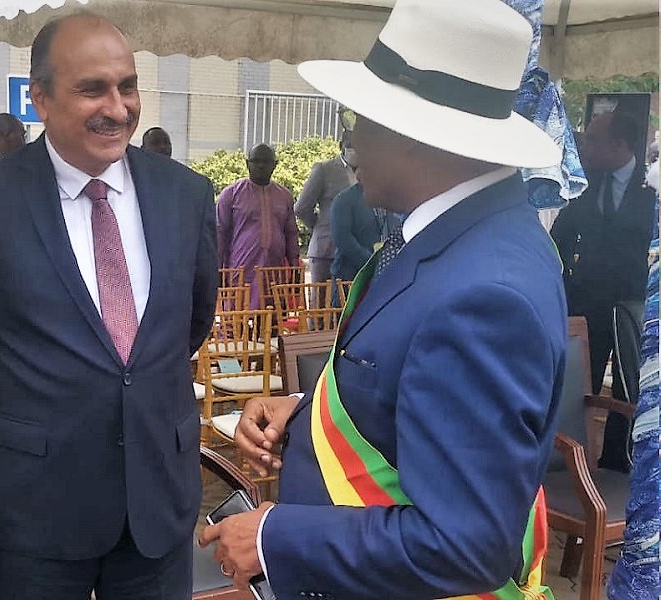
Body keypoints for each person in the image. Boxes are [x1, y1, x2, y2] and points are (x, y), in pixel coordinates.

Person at [199, 1, 567, 599]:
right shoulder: (467, 238)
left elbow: (465, 545)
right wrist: (305, 411)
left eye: (361, 118)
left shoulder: (485, 295)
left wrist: (273, 536)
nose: (351, 141)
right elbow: (419, 386)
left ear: (417, 134)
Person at [0, 13, 217, 600]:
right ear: (40, 98)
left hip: (156, 505)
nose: (117, 108)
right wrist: (41, 411)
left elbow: (190, 323)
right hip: (35, 507)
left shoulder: (185, 194)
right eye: (92, 89)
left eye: (127, 86)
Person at [551, 110, 655, 472]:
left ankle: (617, 462)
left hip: (631, 305)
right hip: (586, 303)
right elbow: (560, 237)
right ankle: (571, 464)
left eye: (594, 140)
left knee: (628, 386)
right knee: (579, 385)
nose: (586, 147)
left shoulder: (651, 189)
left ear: (619, 145)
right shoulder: (583, 183)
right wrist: (566, 279)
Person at [216, 143, 300, 308]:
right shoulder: (231, 194)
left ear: (275, 165)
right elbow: (220, 233)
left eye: (266, 161)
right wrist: (217, 270)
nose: (261, 165)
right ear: (247, 163)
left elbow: (291, 233)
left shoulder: (284, 195)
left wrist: (295, 266)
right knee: (240, 315)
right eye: (256, 161)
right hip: (241, 268)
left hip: (274, 270)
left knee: (273, 316)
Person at [294, 131, 355, 288]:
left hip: (357, 252)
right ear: (341, 146)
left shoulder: (370, 171)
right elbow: (302, 208)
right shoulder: (324, 170)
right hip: (326, 251)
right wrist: (321, 225)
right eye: (350, 145)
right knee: (322, 301)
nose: (355, 149)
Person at [330, 182, 401, 282]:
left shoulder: (396, 198)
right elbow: (343, 239)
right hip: (350, 279)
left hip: (390, 275)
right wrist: (372, 264)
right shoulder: (344, 200)